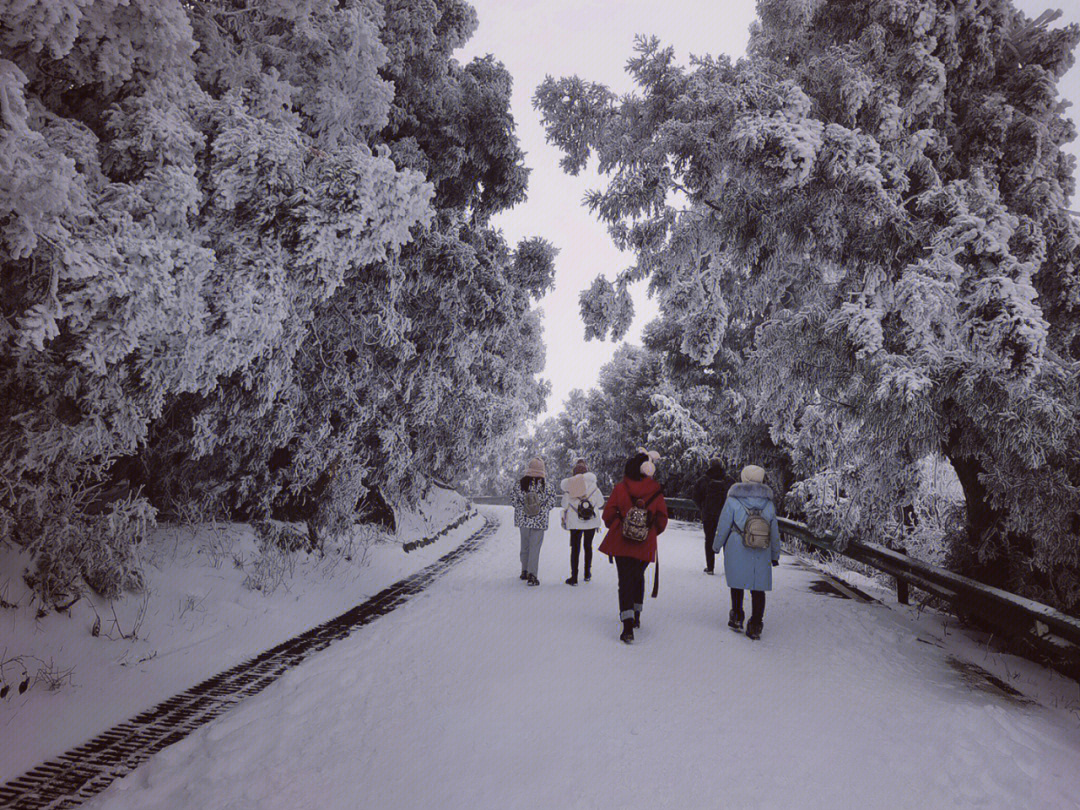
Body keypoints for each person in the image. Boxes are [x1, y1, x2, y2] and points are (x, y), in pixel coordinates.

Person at [599, 451, 668, 643]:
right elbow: (662, 519)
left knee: (625, 581)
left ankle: (627, 625)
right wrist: (649, 532)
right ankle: (637, 614)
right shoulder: (656, 490)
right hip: (645, 544)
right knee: (638, 577)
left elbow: (607, 515)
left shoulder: (621, 488)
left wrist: (618, 524)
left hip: (622, 542)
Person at [712, 464, 781, 640]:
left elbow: (724, 525)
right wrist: (775, 554)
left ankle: (736, 616)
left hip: (737, 545)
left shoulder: (733, 500)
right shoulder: (768, 503)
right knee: (758, 587)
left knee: (737, 583)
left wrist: (716, 546)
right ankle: (756, 624)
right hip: (761, 548)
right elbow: (774, 532)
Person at [511, 457, 561, 586]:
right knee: (535, 547)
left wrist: (523, 509)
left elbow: (513, 500)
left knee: (525, 546)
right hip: (539, 521)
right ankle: (532, 575)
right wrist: (542, 509)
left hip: (524, 520)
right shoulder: (546, 486)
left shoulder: (520, 484)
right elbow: (552, 501)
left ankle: (524, 570)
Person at [560, 459, 604, 585]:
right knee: (588, 547)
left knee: (575, 548)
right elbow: (600, 503)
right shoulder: (594, 486)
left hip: (575, 522)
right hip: (591, 521)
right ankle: (587, 574)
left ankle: (574, 577)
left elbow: (564, 504)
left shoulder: (570, 486)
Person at [692, 458, 735, 575]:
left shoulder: (703, 480)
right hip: (726, 515)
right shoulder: (729, 480)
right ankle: (729, 567)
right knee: (727, 541)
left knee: (709, 540)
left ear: (710, 465)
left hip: (708, 515)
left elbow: (696, 497)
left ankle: (710, 567)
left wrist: (703, 509)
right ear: (722, 465)